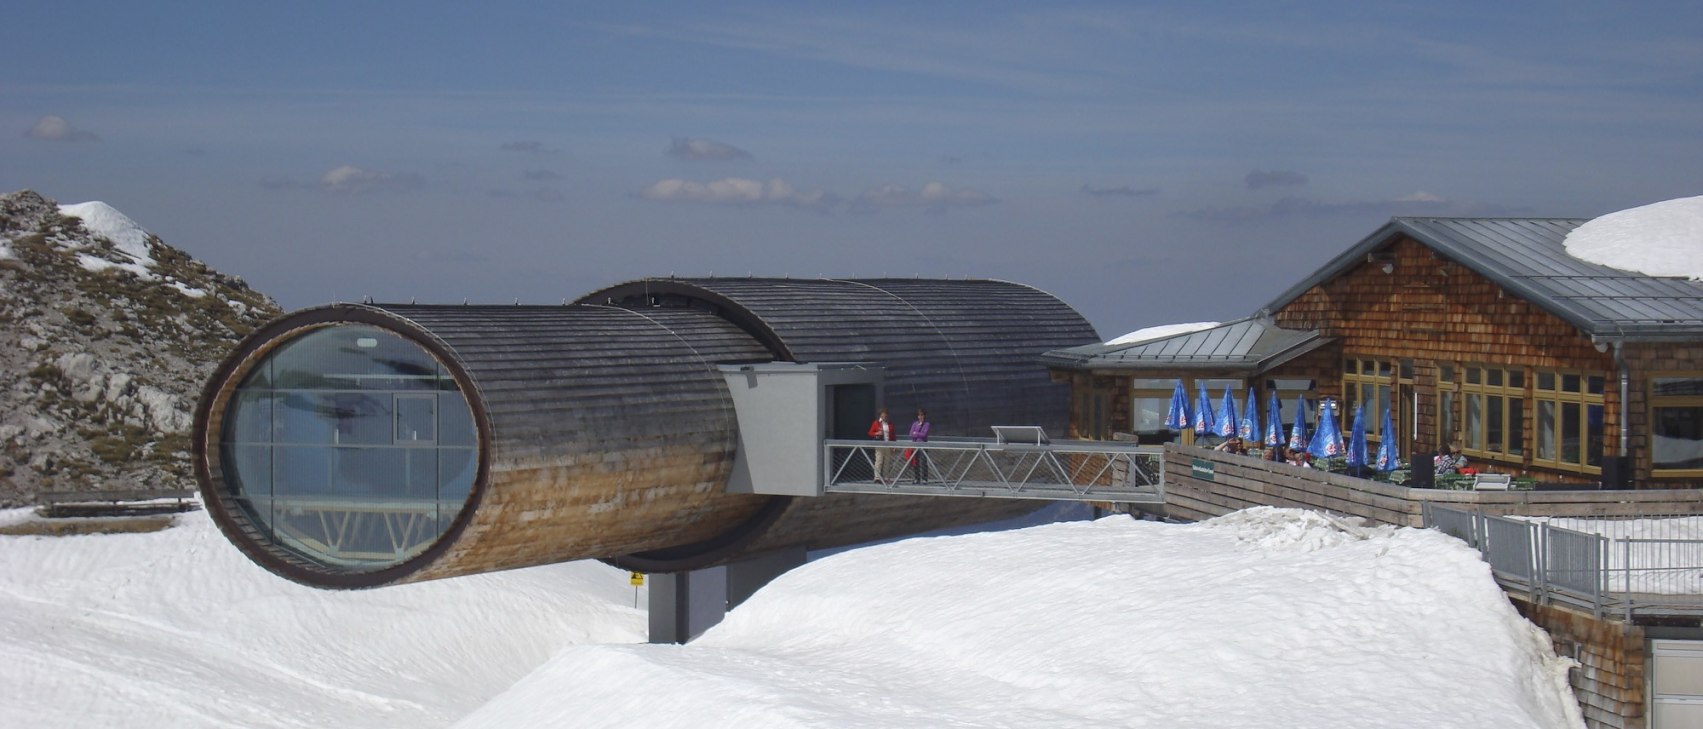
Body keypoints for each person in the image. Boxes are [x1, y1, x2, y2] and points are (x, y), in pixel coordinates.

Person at [867, 408, 896, 483]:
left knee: (887, 461)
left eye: (885, 416)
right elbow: (870, 432)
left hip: (888, 444)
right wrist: (876, 433)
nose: (884, 417)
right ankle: (877, 477)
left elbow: (893, 435)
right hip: (879, 444)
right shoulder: (876, 423)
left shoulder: (890, 423)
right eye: (883, 416)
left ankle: (886, 477)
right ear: (880, 415)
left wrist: (894, 445)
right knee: (879, 461)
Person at [907, 408, 932, 483]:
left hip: (923, 445)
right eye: (919, 415)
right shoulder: (915, 424)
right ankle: (917, 478)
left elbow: (924, 435)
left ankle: (925, 478)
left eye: (922, 415)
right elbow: (911, 434)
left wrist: (916, 433)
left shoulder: (927, 424)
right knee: (916, 462)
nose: (921, 417)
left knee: (923, 461)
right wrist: (916, 433)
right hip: (915, 445)